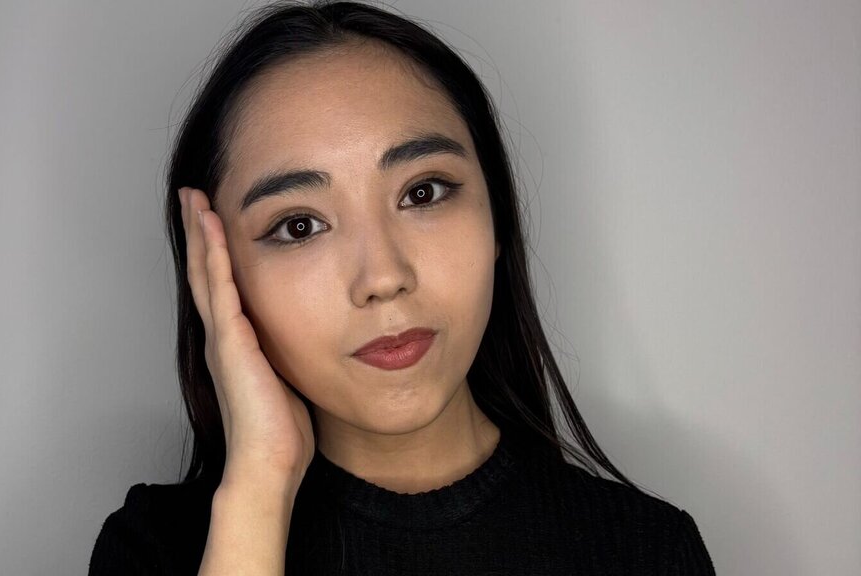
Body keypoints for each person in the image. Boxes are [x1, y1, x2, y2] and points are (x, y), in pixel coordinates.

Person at [88, 1, 717, 574]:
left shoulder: (647, 550)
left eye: (423, 192)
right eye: (299, 226)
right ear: (218, 273)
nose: (384, 278)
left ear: (497, 218)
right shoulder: (156, 550)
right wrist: (259, 489)